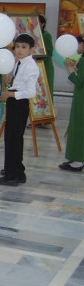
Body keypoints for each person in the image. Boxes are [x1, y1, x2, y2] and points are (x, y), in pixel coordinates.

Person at [0, 33, 39, 186]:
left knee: (14, 138)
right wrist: (12, 81)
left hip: (19, 104)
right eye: (17, 47)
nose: (19, 50)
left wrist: (10, 94)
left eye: (24, 47)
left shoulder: (30, 66)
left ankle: (13, 174)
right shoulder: (20, 63)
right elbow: (21, 84)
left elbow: (31, 92)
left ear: (31, 49)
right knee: (11, 138)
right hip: (14, 103)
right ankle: (14, 170)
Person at [60, 34, 84, 172]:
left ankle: (79, 160)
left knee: (79, 127)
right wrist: (76, 68)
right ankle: (76, 157)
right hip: (80, 97)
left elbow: (79, 82)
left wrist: (69, 68)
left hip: (81, 98)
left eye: (78, 44)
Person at [38, 14, 55, 101]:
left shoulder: (46, 35)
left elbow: (50, 52)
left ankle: (49, 106)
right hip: (37, 64)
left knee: (46, 88)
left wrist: (38, 56)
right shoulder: (35, 34)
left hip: (45, 65)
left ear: (43, 24)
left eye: (38, 22)